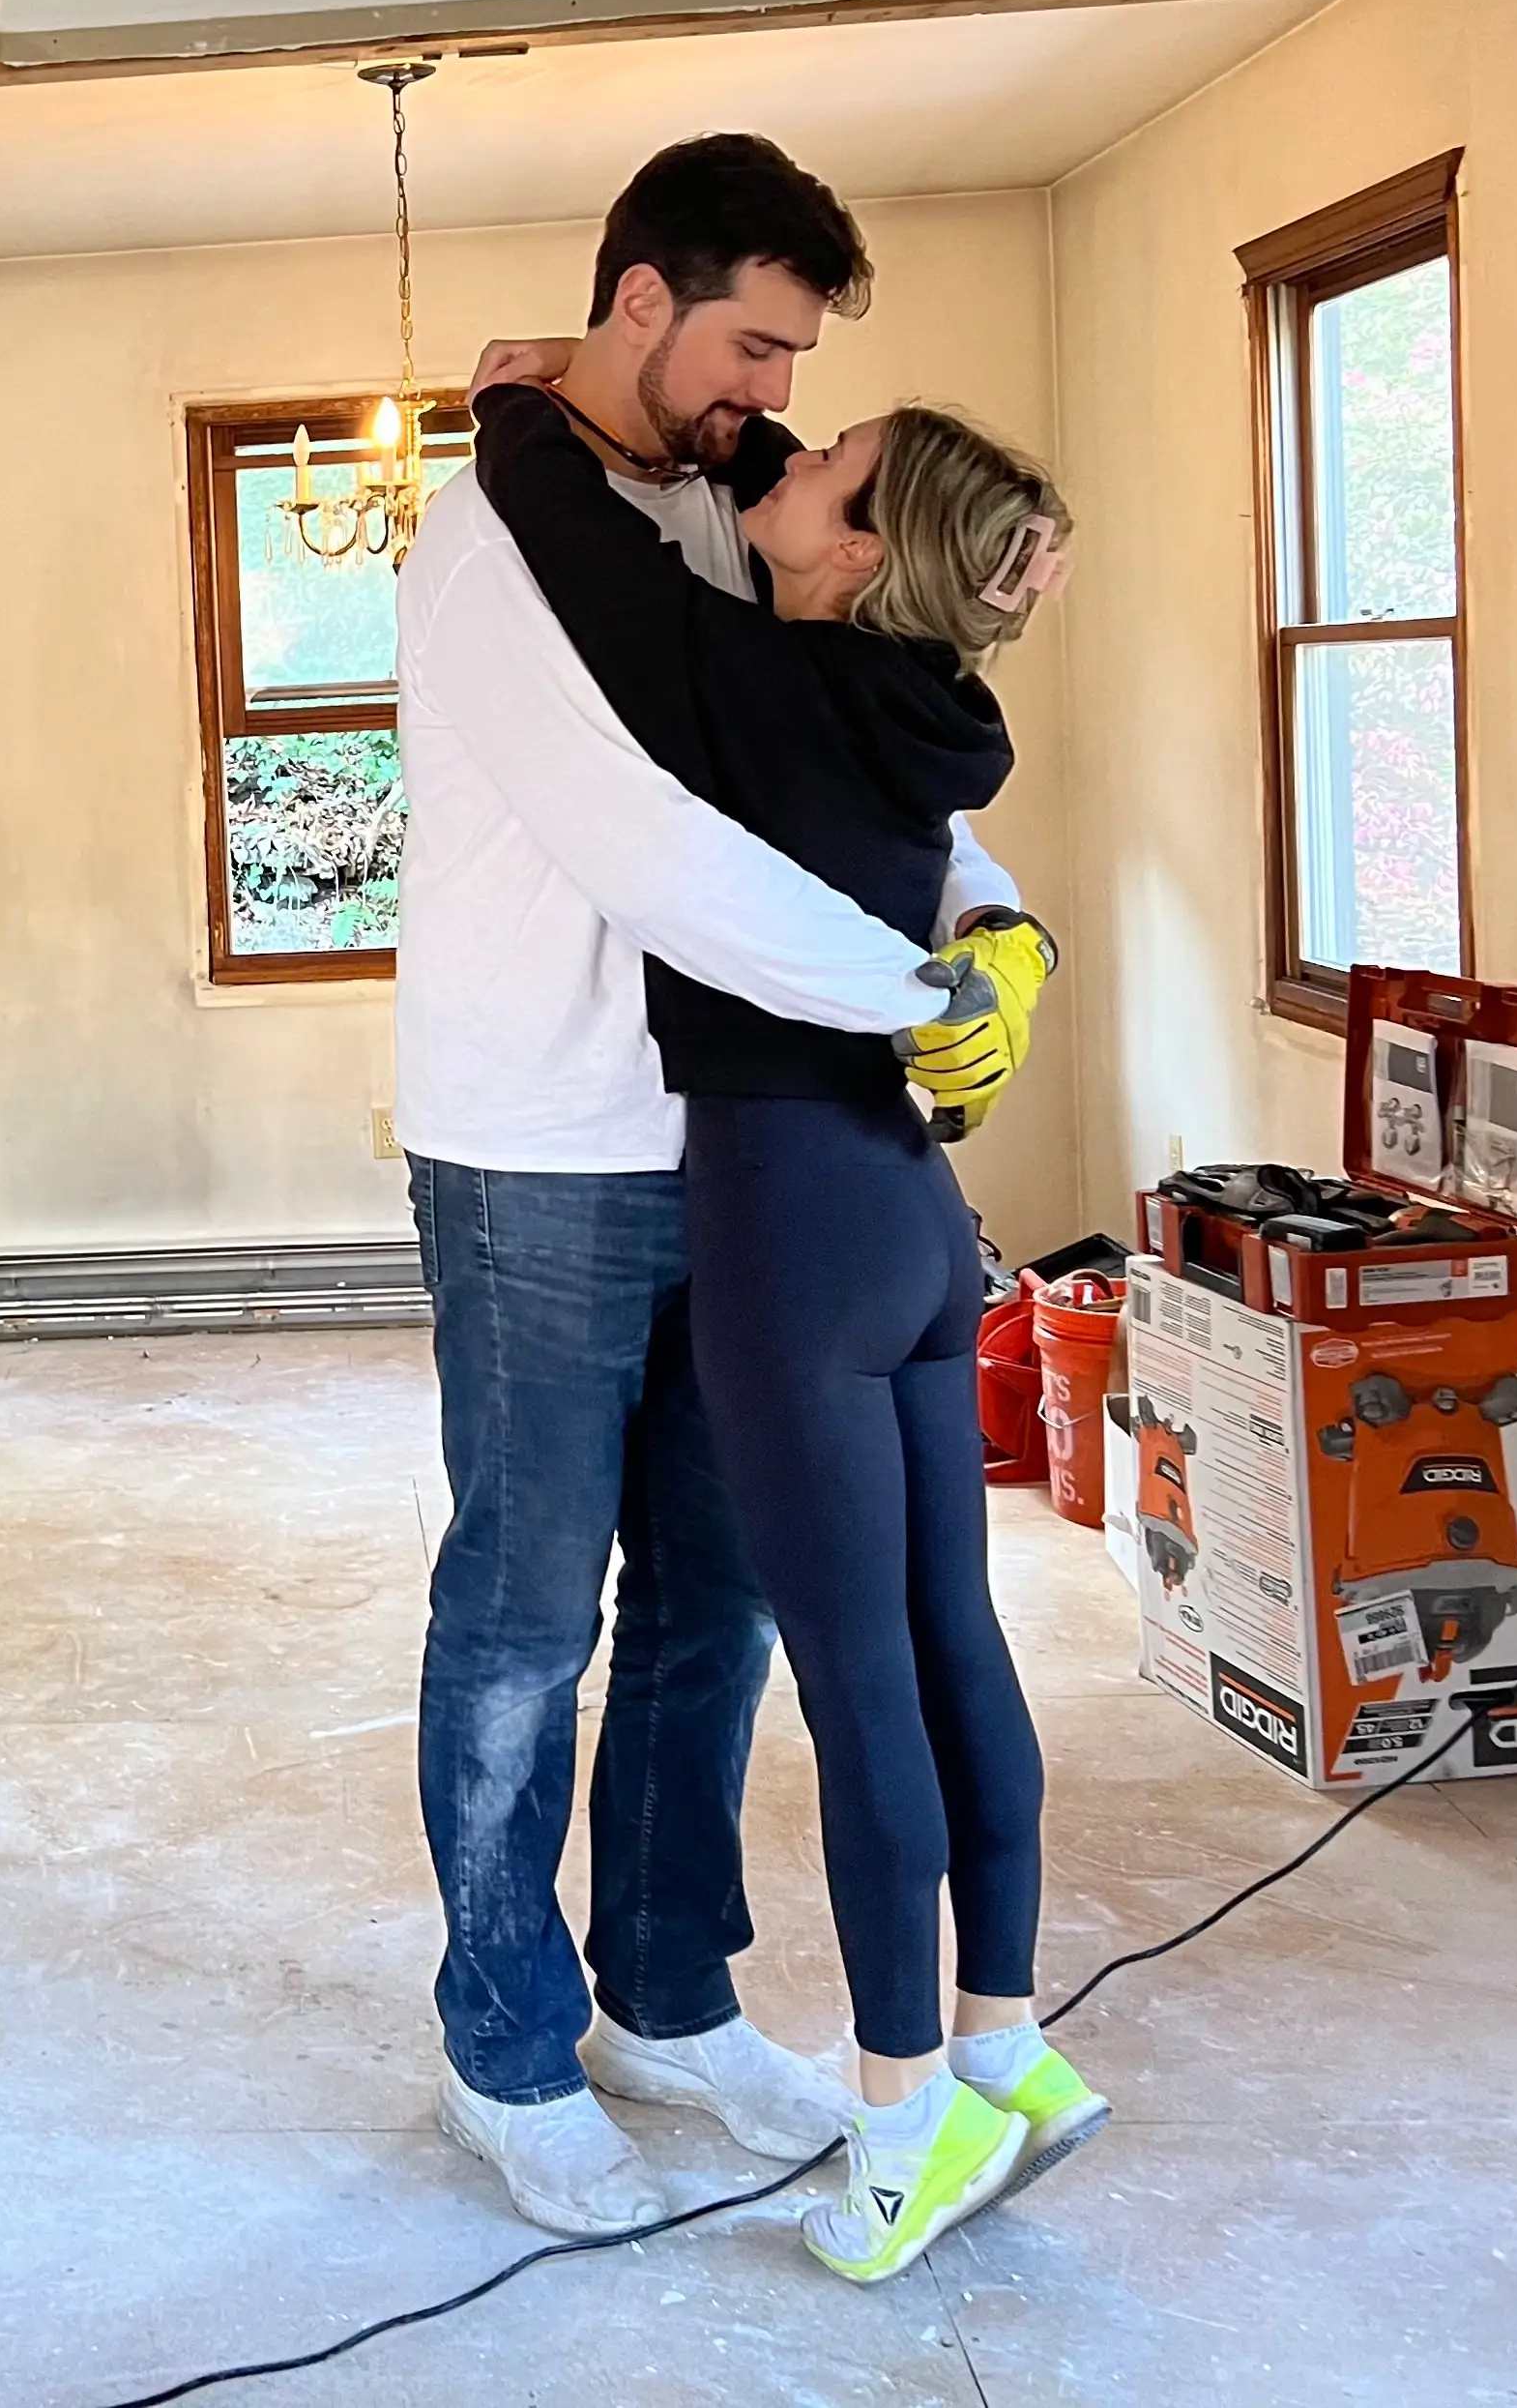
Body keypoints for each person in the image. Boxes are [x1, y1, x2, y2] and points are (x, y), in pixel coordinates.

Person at [393, 135, 1051, 2240]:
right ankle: (504, 2035)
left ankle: (663, 1990)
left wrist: (995, 910)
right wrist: (909, 991)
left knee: (723, 1595)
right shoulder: (492, 535)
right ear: (641, 294)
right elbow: (655, 840)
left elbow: (855, 742)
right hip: (540, 1138)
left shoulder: (716, 510)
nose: (769, 386)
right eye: (751, 338)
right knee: (526, 1600)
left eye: (796, 359)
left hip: (738, 1145)